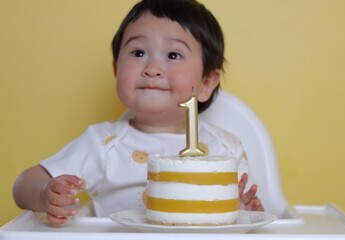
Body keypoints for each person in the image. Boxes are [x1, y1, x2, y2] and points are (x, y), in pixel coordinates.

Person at [13, 0, 263, 225]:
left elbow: (258, 216)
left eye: (173, 55)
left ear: (207, 83)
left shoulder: (225, 150)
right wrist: (45, 192)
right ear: (116, 70)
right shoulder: (104, 144)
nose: (152, 68)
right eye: (138, 52)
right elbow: (23, 184)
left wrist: (242, 212)